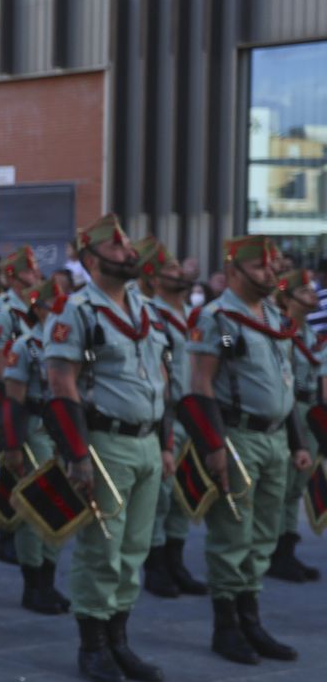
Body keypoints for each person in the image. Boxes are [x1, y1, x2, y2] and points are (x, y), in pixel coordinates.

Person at [41, 215, 168, 682]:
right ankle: (93, 644)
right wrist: (78, 456)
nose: (129, 253)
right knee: (102, 547)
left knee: (134, 546)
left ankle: (119, 638)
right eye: (117, 249)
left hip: (147, 439)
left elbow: (162, 375)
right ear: (92, 258)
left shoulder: (144, 306)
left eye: (129, 247)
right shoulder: (75, 309)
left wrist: (168, 440)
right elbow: (61, 382)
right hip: (105, 441)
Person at [184, 235, 312, 666]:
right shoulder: (220, 320)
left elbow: (286, 386)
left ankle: (251, 618)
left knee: (264, 534)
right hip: (237, 437)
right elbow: (202, 382)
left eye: (273, 266)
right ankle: (227, 625)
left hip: (275, 438)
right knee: (232, 533)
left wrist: (296, 442)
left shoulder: (274, 317)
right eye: (261, 267)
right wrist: (214, 446)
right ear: (235, 270)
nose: (272, 273)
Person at [0, 246, 69, 607]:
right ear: (12, 278)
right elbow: (2, 377)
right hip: (28, 418)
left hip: (58, 423)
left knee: (58, 499)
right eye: (28, 275)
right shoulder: (6, 317)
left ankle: (46, 578)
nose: (34, 279)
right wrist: (9, 437)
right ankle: (33, 581)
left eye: (35, 274)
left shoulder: (56, 330)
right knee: (34, 500)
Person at [137, 238, 209, 598]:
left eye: (179, 268)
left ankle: (176, 561)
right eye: (171, 270)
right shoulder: (150, 315)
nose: (181, 273)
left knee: (186, 491)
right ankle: (156, 564)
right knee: (161, 493)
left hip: (193, 413)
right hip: (167, 412)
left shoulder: (194, 316)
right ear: (152, 278)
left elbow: (222, 347)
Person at [270, 268, 325, 582]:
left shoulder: (313, 338)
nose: (312, 295)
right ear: (287, 296)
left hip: (308, 408)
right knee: (281, 483)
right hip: (286, 409)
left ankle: (287, 548)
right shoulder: (279, 332)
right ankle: (273, 551)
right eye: (304, 291)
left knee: (296, 486)